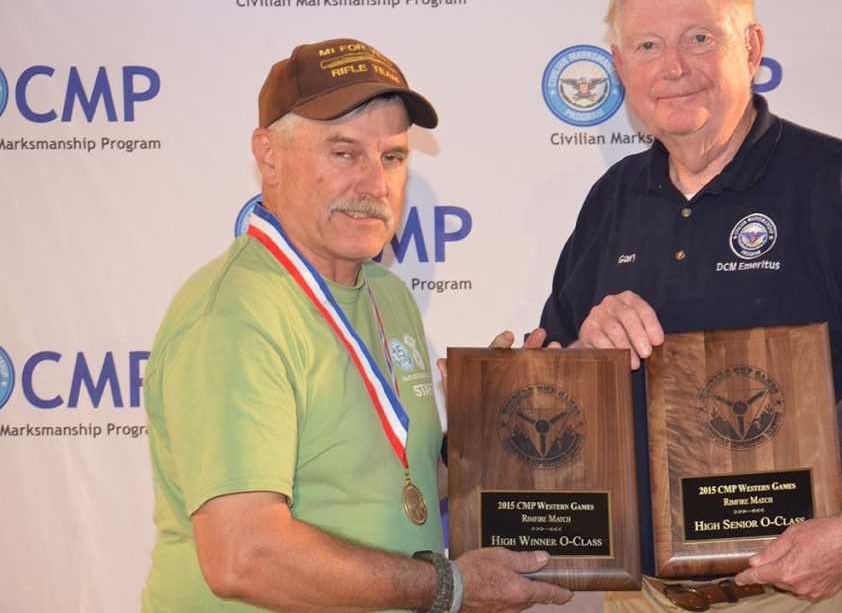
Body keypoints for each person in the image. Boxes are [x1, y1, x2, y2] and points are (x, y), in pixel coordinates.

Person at [537, 0, 842, 611]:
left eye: (699, 38)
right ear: (621, 68)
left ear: (751, 47)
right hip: (645, 597)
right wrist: (576, 362)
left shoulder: (834, 182)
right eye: (649, 47)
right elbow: (555, 400)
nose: (675, 66)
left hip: (816, 592)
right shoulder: (611, 201)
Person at [141, 38, 574, 612]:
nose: (375, 184)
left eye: (392, 158)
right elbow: (244, 554)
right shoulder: (235, 316)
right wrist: (450, 588)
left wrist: (489, 430)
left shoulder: (386, 294)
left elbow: (397, 489)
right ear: (269, 156)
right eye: (343, 154)